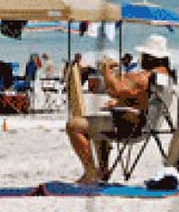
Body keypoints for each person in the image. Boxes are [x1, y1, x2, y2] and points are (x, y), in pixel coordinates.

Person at [65, 34, 171, 184]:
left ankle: (91, 173)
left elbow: (114, 89)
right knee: (98, 122)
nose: (140, 59)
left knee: (74, 125)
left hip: (133, 127)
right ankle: (102, 171)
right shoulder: (165, 77)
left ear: (150, 57)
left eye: (143, 55)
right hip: (150, 125)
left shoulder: (146, 77)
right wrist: (122, 103)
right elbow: (144, 99)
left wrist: (106, 70)